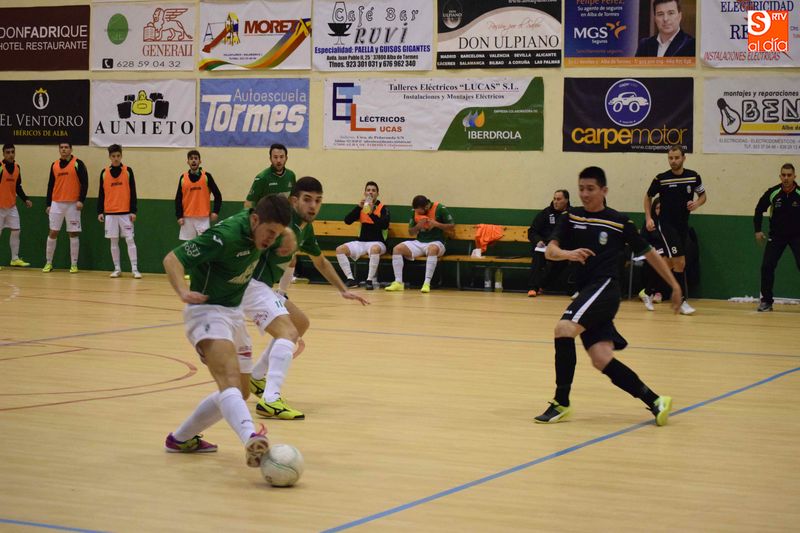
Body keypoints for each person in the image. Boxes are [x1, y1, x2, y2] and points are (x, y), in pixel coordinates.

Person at [535, 166, 681, 426]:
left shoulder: (619, 222)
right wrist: (568, 254)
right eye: (581, 189)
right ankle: (656, 401)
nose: (585, 194)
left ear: (604, 190)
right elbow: (550, 251)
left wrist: (674, 285)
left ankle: (561, 402)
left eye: (590, 189)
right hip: (588, 291)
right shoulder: (571, 217)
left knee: (563, 328)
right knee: (601, 358)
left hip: (605, 287)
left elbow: (649, 253)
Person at [161, 195, 291, 468]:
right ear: (254, 220)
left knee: (240, 393)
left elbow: (279, 229)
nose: (272, 239)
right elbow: (172, 259)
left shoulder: (264, 228)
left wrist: (288, 235)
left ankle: (180, 439)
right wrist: (182, 290)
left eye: (277, 233)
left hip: (234, 311)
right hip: (207, 310)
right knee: (228, 380)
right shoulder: (223, 237)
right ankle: (251, 439)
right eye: (270, 232)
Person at [245, 177, 369, 420]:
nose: (313, 206)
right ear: (294, 201)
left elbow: (320, 261)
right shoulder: (281, 219)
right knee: (288, 333)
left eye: (318, 201)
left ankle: (256, 376)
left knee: (300, 322)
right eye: (307, 199)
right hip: (250, 285)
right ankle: (270, 400)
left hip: (263, 287)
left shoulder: (306, 228)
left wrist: (343, 289)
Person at [644, 144, 706, 315]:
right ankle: (682, 301)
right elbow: (648, 197)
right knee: (680, 262)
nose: (673, 161)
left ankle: (648, 292)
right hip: (666, 225)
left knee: (670, 263)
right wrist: (649, 217)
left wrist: (697, 203)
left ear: (684, 158)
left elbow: (703, 195)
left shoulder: (693, 176)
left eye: (676, 157)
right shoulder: (661, 178)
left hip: (682, 225)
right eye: (670, 158)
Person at [245, 143, 298, 294]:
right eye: (275, 157)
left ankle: (282, 293)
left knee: (291, 258)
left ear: (286, 158)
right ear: (270, 158)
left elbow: (291, 200)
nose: (278, 160)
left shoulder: (291, 176)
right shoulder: (262, 178)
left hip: (282, 226)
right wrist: (252, 225)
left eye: (281, 157)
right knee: (256, 259)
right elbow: (248, 203)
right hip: (264, 226)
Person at [753, 163, 800, 312]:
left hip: (797, 236)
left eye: (789, 175)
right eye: (783, 175)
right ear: (780, 176)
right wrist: (757, 230)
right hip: (777, 236)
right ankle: (766, 301)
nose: (786, 178)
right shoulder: (773, 193)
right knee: (767, 266)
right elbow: (759, 209)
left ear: (794, 176)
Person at [385, 195, 455, 293]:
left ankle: (427, 283)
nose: (418, 213)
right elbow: (411, 232)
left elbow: (452, 226)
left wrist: (437, 224)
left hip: (437, 242)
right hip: (419, 242)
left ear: (426, 207)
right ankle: (398, 282)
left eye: (420, 212)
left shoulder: (440, 208)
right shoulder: (414, 212)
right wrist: (418, 226)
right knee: (397, 249)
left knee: (432, 249)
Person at [43, 142, 88, 273]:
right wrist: (48, 204)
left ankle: (74, 264)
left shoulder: (78, 163)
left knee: (73, 233)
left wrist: (81, 200)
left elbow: (85, 183)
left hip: (73, 204)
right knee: (53, 232)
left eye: (66, 147)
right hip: (56, 203)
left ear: (71, 149)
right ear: (59, 150)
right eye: (61, 148)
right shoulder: (54, 165)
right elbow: (50, 185)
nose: (64, 149)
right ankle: (48, 263)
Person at [336, 181, 390, 290]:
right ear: (364, 193)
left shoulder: (383, 208)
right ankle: (350, 279)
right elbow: (347, 221)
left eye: (373, 190)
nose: (370, 192)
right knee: (340, 249)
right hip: (361, 242)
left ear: (377, 193)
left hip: (378, 242)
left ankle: (369, 280)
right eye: (368, 190)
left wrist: (371, 213)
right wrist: (358, 207)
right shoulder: (361, 207)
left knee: (374, 249)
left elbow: (384, 225)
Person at [97, 144, 140, 279]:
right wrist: (100, 211)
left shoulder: (128, 171)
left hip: (125, 212)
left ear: (121, 156)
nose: (116, 158)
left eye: (118, 156)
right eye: (113, 156)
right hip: (110, 213)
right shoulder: (104, 173)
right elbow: (101, 193)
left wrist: (133, 211)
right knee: (113, 242)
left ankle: (134, 269)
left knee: (130, 240)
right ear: (109, 157)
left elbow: (133, 192)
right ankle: (117, 268)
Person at [527, 189, 570, 297]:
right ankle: (533, 288)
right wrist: (538, 241)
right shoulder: (545, 213)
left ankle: (543, 285)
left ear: (566, 200)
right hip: (544, 247)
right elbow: (532, 231)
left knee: (563, 261)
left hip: (561, 248)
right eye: (554, 199)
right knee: (538, 257)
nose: (555, 202)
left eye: (559, 199)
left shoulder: (571, 214)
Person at [175, 149, 222, 242]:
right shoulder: (183, 178)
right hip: (187, 217)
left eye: (196, 158)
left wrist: (216, 211)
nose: (193, 160)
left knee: (204, 244)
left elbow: (218, 195)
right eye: (191, 158)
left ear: (200, 161)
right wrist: (179, 216)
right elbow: (178, 199)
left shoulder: (207, 176)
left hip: (203, 218)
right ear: (188, 162)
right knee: (188, 245)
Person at [0, 143, 33, 268]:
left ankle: (14, 259)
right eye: (7, 152)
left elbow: (17, 186)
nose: (10, 155)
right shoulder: (0, 167)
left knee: (16, 230)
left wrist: (25, 199)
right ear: (3, 154)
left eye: (12, 152)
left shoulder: (17, 167)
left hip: (11, 206)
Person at [638, 197, 670, 311]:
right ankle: (653, 291)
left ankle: (650, 291)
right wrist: (652, 249)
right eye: (657, 208)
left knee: (663, 260)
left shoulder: (669, 222)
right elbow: (643, 239)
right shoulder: (650, 222)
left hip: (666, 251)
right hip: (651, 251)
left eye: (662, 208)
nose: (659, 211)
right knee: (656, 261)